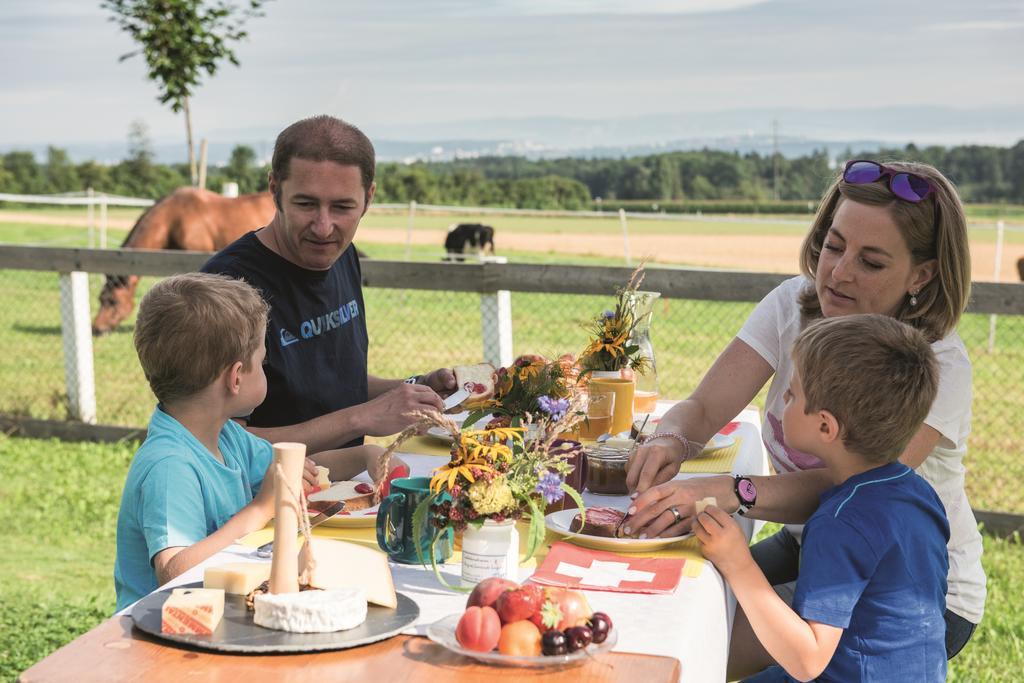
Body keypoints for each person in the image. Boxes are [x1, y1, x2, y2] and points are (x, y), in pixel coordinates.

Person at [624, 159, 985, 659]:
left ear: (921, 274)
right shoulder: (794, 302)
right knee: (674, 603)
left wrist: (726, 491)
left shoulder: (933, 363)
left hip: (907, 591)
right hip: (813, 544)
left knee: (692, 646)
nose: (838, 272)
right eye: (834, 246)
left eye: (872, 262)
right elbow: (704, 407)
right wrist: (670, 439)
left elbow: (850, 488)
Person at [114, 273, 392, 610]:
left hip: (220, 619)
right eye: (262, 363)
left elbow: (293, 473)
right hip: (160, 639)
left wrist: (363, 456)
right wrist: (259, 509)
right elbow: (175, 571)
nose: (266, 369)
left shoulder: (226, 436)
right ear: (235, 378)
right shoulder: (170, 466)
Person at [698, 314, 949, 681]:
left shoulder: (841, 523)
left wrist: (738, 563)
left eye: (793, 393)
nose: (783, 397)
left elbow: (808, 659)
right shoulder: (916, 490)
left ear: (825, 426)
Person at [201, 115, 455, 453]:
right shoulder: (226, 289)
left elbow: (329, 385)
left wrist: (414, 388)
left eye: (342, 207)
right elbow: (219, 445)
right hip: (263, 502)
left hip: (344, 496)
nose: (324, 227)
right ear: (275, 190)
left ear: (369, 198)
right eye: (306, 204)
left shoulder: (341, 255)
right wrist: (361, 419)